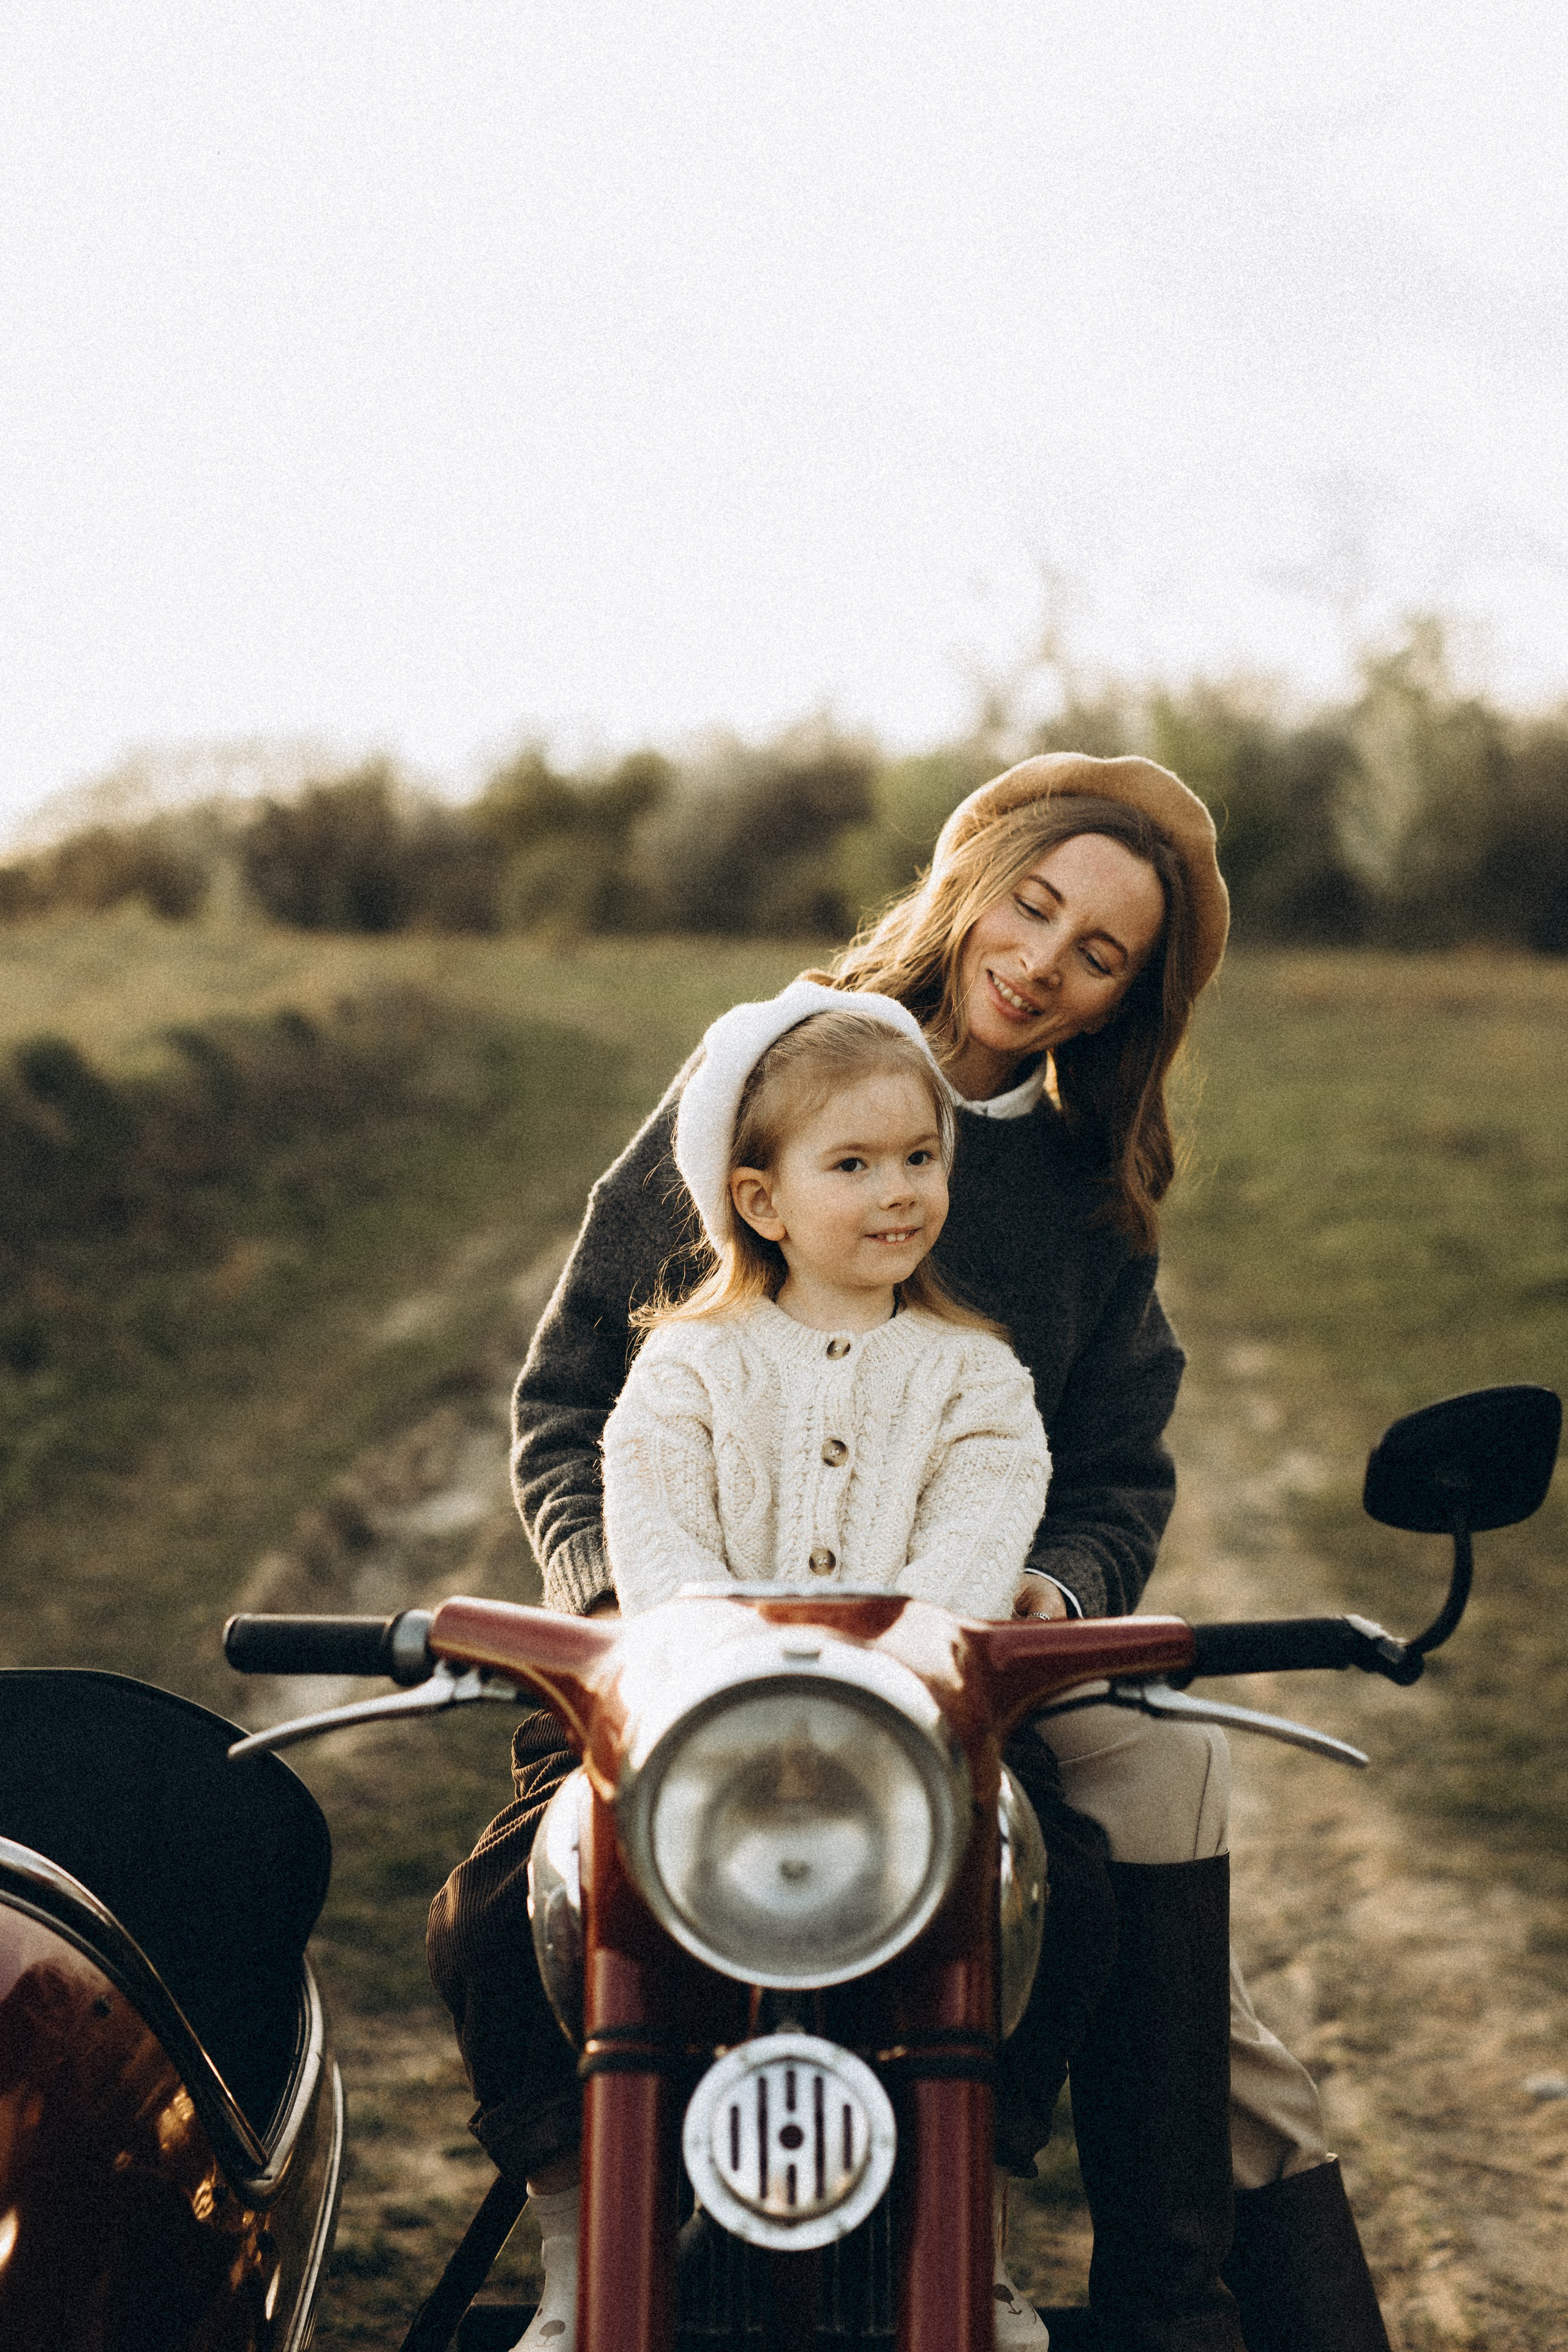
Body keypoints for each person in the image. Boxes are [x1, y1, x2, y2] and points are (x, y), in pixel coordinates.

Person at [429, 752, 1391, 2352]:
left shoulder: (1087, 1193)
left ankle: (1079, 2271)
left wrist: (1040, 1598)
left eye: (1101, 957)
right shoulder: (766, 1077)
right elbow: (579, 1391)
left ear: (1127, 1002)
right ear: (972, 879)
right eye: (1035, 905)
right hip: (682, 1649)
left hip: (957, 1648)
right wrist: (622, 1619)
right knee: (504, 1902)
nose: (1043, 963)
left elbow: (1106, 1482)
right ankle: (585, 2243)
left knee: (1121, 1885)